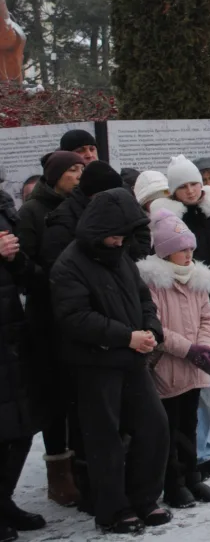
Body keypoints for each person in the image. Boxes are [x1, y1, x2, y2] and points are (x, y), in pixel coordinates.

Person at [50, 189, 172, 534]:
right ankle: (114, 509)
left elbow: (143, 298)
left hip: (133, 359)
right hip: (96, 364)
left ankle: (145, 498)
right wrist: (125, 336)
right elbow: (75, 318)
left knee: (154, 427)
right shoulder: (70, 264)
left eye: (124, 235)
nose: (119, 241)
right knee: (105, 440)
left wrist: (151, 328)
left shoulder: (119, 257)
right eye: (114, 234)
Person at [152, 156, 210, 481]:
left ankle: (205, 451)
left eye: (195, 183)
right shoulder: (163, 221)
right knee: (179, 391)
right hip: (175, 316)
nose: (191, 190)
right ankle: (184, 455)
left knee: (206, 385)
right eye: (183, 186)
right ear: (173, 190)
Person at [136, 210, 210, 510]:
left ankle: (193, 476)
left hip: (194, 367)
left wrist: (205, 347)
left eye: (190, 248)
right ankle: (173, 484)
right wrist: (189, 350)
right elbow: (159, 328)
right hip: (169, 367)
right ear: (167, 251)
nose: (188, 254)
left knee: (190, 423)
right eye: (182, 249)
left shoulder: (196, 280)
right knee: (169, 429)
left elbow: (208, 318)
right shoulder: (153, 282)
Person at [16, 151, 84, 508]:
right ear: (56, 175)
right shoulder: (31, 211)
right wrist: (57, 278)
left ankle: (80, 466)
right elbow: (24, 265)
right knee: (55, 398)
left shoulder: (78, 205)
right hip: (47, 316)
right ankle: (58, 474)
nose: (77, 175)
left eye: (80, 170)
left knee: (78, 394)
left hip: (79, 312)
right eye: (72, 170)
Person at [0, 188, 46, 539]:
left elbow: (31, 277)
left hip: (12, 339)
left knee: (20, 431)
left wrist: (15, 260)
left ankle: (4, 502)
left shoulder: (5, 211)